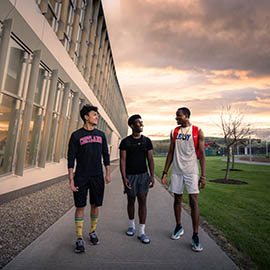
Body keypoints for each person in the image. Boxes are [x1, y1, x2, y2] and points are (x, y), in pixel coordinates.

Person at [161, 107, 206, 252]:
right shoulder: (174, 132)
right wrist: (165, 172)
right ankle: (178, 226)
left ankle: (195, 235)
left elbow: (203, 154)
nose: (176, 118)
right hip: (177, 171)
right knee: (177, 199)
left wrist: (203, 175)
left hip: (191, 171)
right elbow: (171, 152)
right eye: (176, 116)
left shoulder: (197, 131)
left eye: (179, 116)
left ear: (186, 116)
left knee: (193, 200)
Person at [67, 104, 111, 253]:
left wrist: (108, 173)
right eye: (94, 114)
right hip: (81, 176)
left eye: (97, 115)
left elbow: (106, 154)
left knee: (95, 205)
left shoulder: (101, 135)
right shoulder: (76, 135)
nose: (96, 117)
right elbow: (71, 158)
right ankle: (79, 238)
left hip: (97, 176)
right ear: (86, 117)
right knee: (80, 206)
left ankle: (92, 231)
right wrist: (71, 179)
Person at [119, 114, 155, 244]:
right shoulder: (125, 142)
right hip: (130, 176)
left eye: (142, 122)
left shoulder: (147, 141)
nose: (141, 125)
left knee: (142, 202)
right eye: (138, 123)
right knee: (131, 201)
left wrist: (152, 175)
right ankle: (131, 225)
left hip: (143, 176)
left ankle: (142, 232)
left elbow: (150, 159)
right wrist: (124, 178)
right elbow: (122, 161)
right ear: (132, 126)